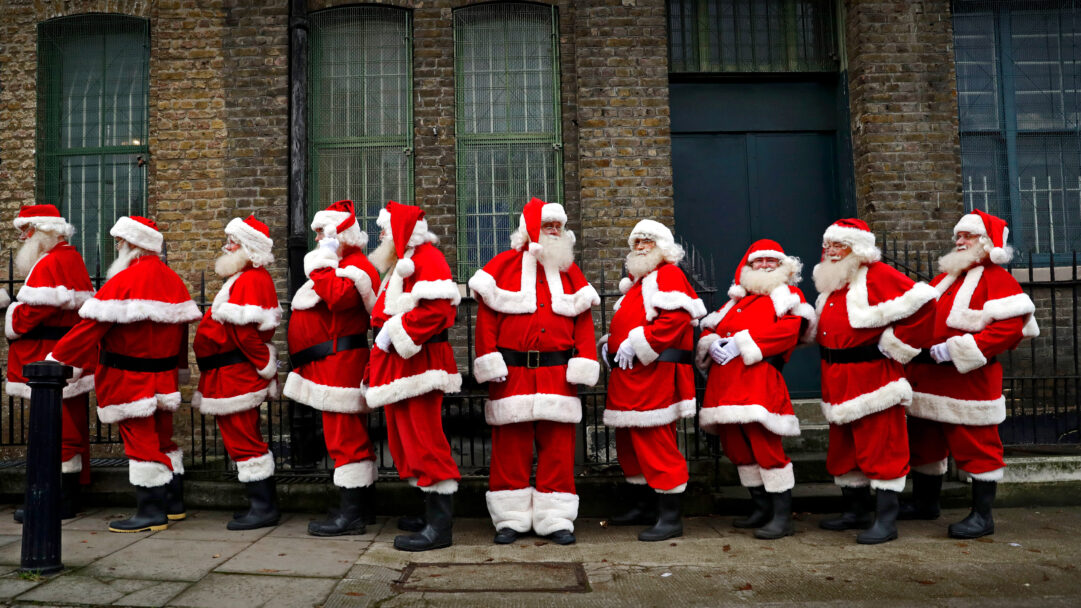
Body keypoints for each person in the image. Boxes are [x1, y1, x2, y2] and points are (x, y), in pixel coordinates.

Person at [49, 216, 201, 532]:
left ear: (132, 245)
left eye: (119, 242)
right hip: (164, 377)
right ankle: (172, 504)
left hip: (128, 378)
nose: (116, 248)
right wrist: (182, 368)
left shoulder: (125, 281)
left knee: (140, 442)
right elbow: (181, 332)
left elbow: (89, 328)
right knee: (162, 439)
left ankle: (150, 513)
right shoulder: (174, 279)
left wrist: (56, 359)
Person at [468, 197, 600, 545]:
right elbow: (486, 322)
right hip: (512, 374)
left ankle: (555, 518)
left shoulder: (572, 273)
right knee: (510, 448)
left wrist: (584, 361)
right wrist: (489, 359)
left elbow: (584, 324)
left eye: (559, 226)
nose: (555, 231)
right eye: (548, 226)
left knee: (558, 448)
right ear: (531, 229)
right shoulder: (502, 266)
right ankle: (510, 518)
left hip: (557, 375)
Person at [903, 210, 1039, 539]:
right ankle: (925, 503)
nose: (959, 241)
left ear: (987, 242)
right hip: (928, 379)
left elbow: (1009, 330)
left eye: (967, 236)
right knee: (925, 443)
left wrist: (954, 350)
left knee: (976, 446)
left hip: (967, 382)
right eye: (958, 236)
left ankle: (982, 516)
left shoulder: (997, 279)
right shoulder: (950, 276)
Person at [813, 218, 937, 544]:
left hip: (873, 379)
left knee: (881, 448)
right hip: (837, 380)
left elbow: (925, 303)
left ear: (857, 247)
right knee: (846, 450)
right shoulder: (835, 281)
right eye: (828, 245)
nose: (831, 251)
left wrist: (897, 344)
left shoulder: (879, 274)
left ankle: (886, 520)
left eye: (839, 245)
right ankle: (855, 511)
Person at [696, 239, 814, 539]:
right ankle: (760, 507)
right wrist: (714, 343)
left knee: (765, 446)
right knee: (736, 446)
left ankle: (782, 515)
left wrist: (741, 342)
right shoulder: (735, 301)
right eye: (757, 262)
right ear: (747, 267)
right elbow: (710, 328)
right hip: (725, 385)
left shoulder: (787, 295)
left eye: (769, 262)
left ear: (781, 266)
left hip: (758, 380)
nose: (763, 266)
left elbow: (789, 331)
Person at [364, 201, 462, 552]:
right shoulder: (402, 262)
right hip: (401, 365)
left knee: (425, 439)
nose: (379, 235)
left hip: (419, 364)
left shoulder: (428, 257)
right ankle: (427, 513)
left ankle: (440, 526)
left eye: (384, 229)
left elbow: (437, 310)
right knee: (406, 440)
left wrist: (395, 331)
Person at [601, 219, 706, 542]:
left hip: (654, 375)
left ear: (663, 247)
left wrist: (639, 342)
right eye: (637, 242)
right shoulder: (637, 284)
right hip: (630, 376)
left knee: (656, 442)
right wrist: (611, 344)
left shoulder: (669, 274)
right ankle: (644, 505)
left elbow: (675, 318)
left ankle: (670, 516)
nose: (641, 246)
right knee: (630, 444)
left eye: (648, 241)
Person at [283, 200, 381, 536]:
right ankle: (359, 506)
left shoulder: (355, 268)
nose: (318, 240)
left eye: (324, 233)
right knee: (342, 434)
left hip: (342, 364)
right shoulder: (339, 265)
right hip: (329, 364)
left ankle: (351, 515)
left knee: (345, 436)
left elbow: (338, 299)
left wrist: (322, 263)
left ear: (342, 235)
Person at [6, 204, 95, 522]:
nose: (23, 237)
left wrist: (11, 316)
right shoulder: (67, 257)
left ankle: (60, 500)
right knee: (66, 425)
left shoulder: (52, 261)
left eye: (27, 231)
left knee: (60, 428)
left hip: (50, 358)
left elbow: (33, 312)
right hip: (63, 356)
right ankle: (69, 495)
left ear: (43, 231)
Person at [193, 215, 283, 530]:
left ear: (247, 247)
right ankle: (260, 505)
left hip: (237, 374)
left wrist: (263, 365)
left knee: (243, 438)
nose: (226, 245)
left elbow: (246, 334)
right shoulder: (244, 278)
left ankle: (264, 508)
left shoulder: (250, 280)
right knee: (239, 437)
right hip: (230, 372)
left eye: (232, 241)